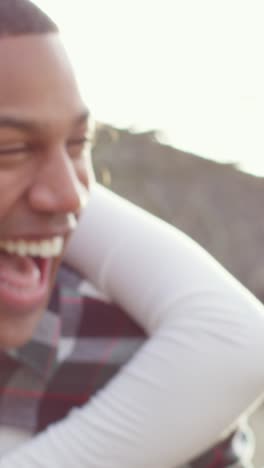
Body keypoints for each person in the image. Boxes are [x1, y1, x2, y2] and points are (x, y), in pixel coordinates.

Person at [0, 1, 263, 467]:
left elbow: (238, 340)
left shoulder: (124, 367)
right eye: (13, 148)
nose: (71, 196)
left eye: (80, 144)